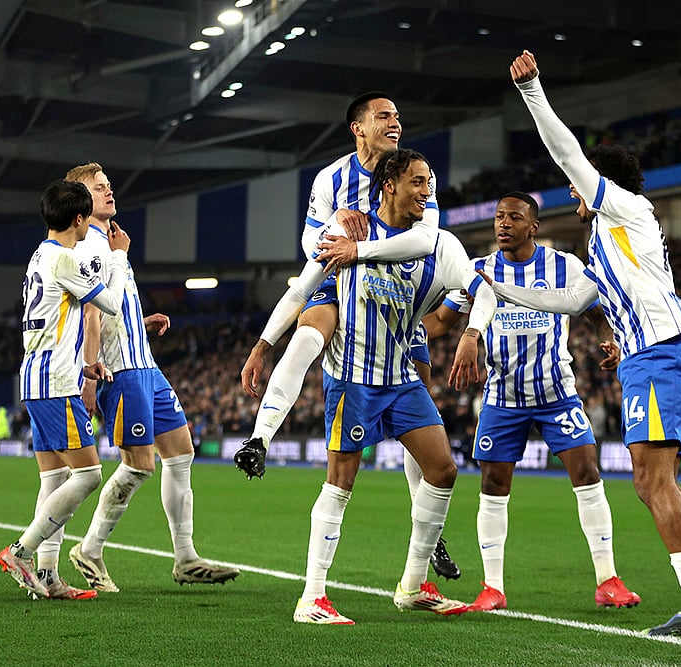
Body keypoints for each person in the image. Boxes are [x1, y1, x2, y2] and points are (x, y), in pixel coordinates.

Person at [458, 51, 681, 636]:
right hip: (650, 354)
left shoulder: (625, 205)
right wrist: (501, 288)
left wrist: (533, 91)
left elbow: (567, 151)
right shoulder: (604, 241)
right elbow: (572, 303)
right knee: (656, 482)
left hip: (660, 353)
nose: (573, 189)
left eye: (579, 183)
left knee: (652, 483)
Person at [242, 149, 493, 624]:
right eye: (418, 182)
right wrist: (262, 345)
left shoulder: (441, 244)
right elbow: (300, 291)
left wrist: (472, 333)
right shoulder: (346, 234)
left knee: (442, 470)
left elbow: (483, 291)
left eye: (430, 183)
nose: (427, 192)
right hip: (353, 378)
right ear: (389, 184)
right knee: (342, 480)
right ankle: (312, 596)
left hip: (401, 377)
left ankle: (413, 584)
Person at [237, 91, 459, 580]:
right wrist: (340, 229)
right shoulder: (331, 178)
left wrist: (365, 245)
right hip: (342, 273)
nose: (395, 122)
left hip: (397, 291)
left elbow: (428, 237)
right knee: (311, 333)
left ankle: (428, 527)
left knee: (418, 401)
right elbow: (309, 243)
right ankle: (260, 438)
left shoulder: (417, 173)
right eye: (384, 116)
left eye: (399, 116)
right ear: (358, 127)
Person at [436, 191, 640, 612]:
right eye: (498, 216)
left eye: (514, 217)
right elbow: (443, 317)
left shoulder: (564, 266)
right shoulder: (477, 271)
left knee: (587, 471)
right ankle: (492, 587)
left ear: (534, 227)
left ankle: (608, 579)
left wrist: (612, 335)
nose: (503, 224)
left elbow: (597, 304)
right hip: (502, 396)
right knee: (493, 485)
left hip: (557, 394)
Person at [65, 163, 239, 592]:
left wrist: (139, 322)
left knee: (180, 453)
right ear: (80, 202)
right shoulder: (91, 246)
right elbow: (89, 312)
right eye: (97, 188)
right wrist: (89, 379)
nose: (108, 190)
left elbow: (111, 311)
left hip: (146, 366)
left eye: (108, 184)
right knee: (139, 465)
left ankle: (185, 558)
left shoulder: (111, 242)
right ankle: (89, 549)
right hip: (119, 372)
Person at [0, 179, 131, 599]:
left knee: (55, 478)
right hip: (56, 381)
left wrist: (86, 362)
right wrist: (119, 256)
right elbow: (111, 303)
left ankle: (50, 577)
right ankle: (22, 551)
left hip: (38, 375)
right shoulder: (66, 260)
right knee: (89, 474)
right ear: (79, 219)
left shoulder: (41, 254)